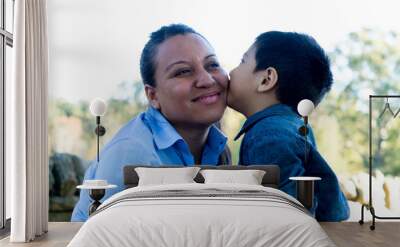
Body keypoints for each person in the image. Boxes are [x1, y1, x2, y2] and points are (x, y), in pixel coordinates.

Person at [71, 24, 230, 222]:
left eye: (212, 65)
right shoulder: (132, 154)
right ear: (153, 95)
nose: (206, 80)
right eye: (183, 72)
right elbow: (105, 243)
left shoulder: (217, 145)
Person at [228, 31, 349, 221]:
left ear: (266, 79)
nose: (231, 71)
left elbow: (286, 219)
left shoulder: (268, 136)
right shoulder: (292, 126)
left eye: (242, 61)